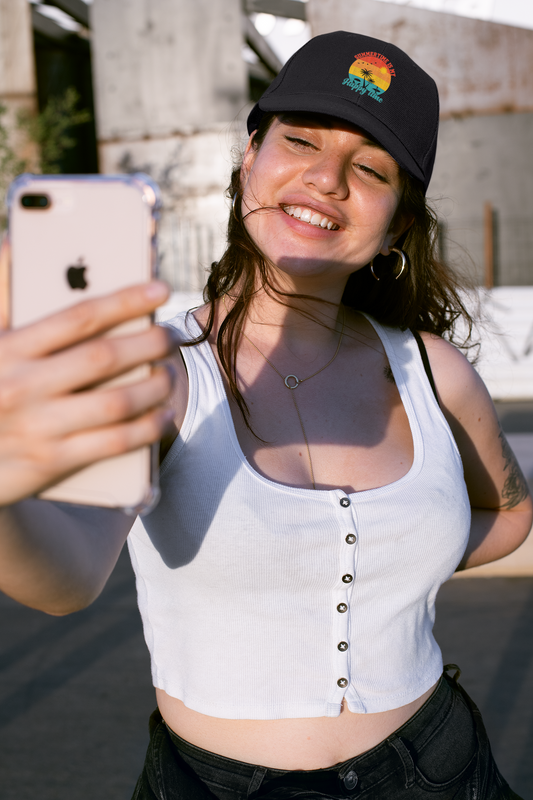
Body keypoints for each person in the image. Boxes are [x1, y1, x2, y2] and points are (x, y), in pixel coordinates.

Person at [0, 30, 531, 800]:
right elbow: (67, 580)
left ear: (398, 224)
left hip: (440, 767)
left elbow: (510, 513)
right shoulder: (162, 367)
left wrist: (392, 560)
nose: (325, 179)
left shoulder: (431, 369)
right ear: (249, 156)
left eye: (370, 168)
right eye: (300, 140)